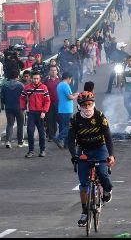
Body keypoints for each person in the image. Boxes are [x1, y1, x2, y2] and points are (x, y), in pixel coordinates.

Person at [68, 91, 115, 228]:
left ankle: (107, 190)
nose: (87, 107)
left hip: (100, 148)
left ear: (94, 104)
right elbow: (71, 140)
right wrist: (74, 156)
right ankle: (84, 212)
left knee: (102, 172)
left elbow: (108, 138)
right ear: (79, 106)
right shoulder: (75, 119)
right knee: (83, 183)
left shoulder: (100, 117)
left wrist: (111, 155)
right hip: (83, 149)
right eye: (84, 105)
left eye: (90, 104)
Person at [21, 72, 50, 158]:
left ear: (39, 78)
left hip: (40, 113)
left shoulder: (44, 88)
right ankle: (31, 151)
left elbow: (47, 101)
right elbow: (22, 98)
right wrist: (24, 108)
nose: (36, 80)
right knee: (30, 132)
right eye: (34, 78)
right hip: (31, 113)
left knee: (41, 132)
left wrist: (44, 112)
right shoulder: (27, 88)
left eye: (37, 78)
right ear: (31, 79)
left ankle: (42, 150)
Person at [1, 69, 25, 148]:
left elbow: (2, 98)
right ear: (17, 76)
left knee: (10, 124)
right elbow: (25, 97)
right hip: (19, 108)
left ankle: (8, 141)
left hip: (8, 107)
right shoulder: (21, 85)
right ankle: (20, 142)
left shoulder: (4, 85)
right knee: (20, 125)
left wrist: (6, 103)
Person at [55, 72, 77, 149]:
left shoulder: (59, 85)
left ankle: (66, 144)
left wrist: (73, 95)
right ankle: (59, 138)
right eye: (71, 79)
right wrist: (76, 95)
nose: (71, 80)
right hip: (67, 109)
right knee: (69, 127)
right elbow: (70, 97)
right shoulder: (65, 85)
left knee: (65, 126)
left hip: (62, 109)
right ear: (68, 78)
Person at [45, 66, 61, 142]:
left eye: (55, 70)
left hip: (59, 103)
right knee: (50, 120)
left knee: (59, 119)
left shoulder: (60, 80)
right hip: (49, 103)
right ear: (49, 72)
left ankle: (60, 136)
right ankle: (51, 136)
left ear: (57, 71)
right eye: (52, 70)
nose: (53, 72)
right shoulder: (46, 81)